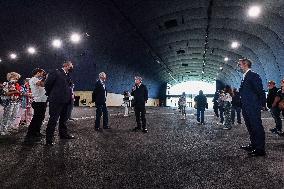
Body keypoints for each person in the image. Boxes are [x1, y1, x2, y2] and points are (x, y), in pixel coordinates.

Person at [238, 58, 266, 157]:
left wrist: (263, 104)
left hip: (253, 106)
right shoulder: (244, 76)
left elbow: (260, 91)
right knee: (250, 127)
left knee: (257, 126)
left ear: (245, 64)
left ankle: (260, 149)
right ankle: (253, 145)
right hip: (246, 106)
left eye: (240, 64)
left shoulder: (253, 75)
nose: (239, 66)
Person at [44, 61, 75, 146]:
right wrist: (52, 94)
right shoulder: (56, 72)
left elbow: (69, 87)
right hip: (56, 100)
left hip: (66, 101)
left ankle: (63, 134)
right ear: (66, 65)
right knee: (53, 120)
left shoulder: (68, 75)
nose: (72, 68)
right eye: (71, 66)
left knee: (63, 120)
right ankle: (49, 140)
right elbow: (47, 84)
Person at [24, 68, 47, 143]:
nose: (43, 74)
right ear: (38, 73)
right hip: (38, 101)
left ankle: (37, 132)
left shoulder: (37, 79)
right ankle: (30, 134)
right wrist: (45, 77)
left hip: (42, 101)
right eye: (42, 73)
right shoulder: (33, 79)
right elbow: (41, 84)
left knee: (41, 118)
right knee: (36, 118)